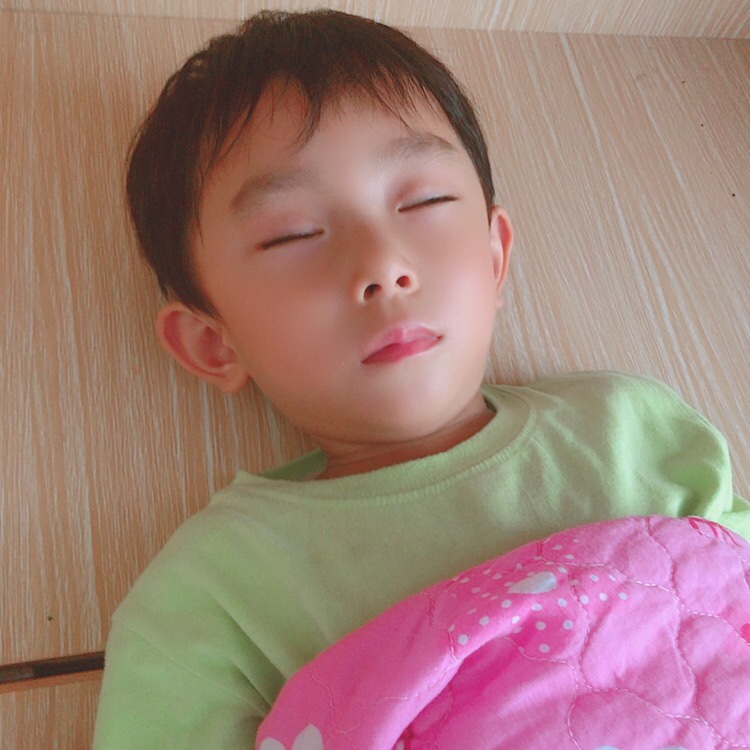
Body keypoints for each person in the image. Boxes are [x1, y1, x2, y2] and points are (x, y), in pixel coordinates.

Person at [93, 9, 749, 748]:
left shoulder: (630, 427)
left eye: (424, 201)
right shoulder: (210, 596)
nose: (382, 264)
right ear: (214, 343)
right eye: (293, 234)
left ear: (494, 258)